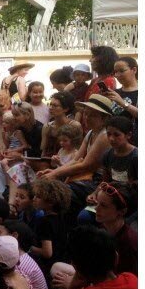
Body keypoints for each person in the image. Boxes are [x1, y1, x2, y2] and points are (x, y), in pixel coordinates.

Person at [36, 94, 114, 223]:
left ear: (104, 118)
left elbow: (86, 165)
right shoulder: (91, 132)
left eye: (92, 115)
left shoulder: (104, 135)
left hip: (98, 181)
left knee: (59, 195)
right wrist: (54, 171)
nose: (87, 118)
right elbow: (76, 159)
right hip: (84, 176)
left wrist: (56, 173)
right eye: (86, 113)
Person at [104, 56, 138, 145]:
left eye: (122, 71)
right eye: (115, 72)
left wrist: (123, 103)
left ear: (134, 70)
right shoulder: (116, 92)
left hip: (133, 141)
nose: (118, 75)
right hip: (114, 142)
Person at [40, 92, 81, 158]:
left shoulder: (75, 126)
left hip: (69, 160)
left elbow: (78, 149)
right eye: (50, 104)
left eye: (55, 106)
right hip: (49, 160)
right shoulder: (47, 126)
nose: (50, 108)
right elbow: (43, 151)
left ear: (66, 109)